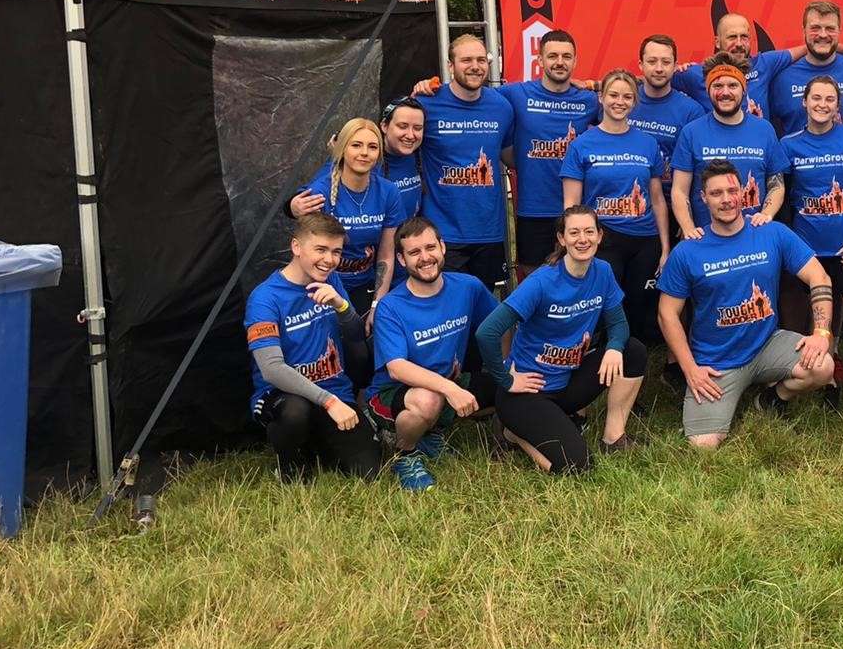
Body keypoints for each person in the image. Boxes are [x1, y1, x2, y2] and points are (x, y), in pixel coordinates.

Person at [657, 159, 835, 448]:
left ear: (742, 192)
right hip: (716, 361)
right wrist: (690, 369)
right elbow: (667, 314)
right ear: (703, 198)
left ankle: (772, 399)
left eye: (731, 191)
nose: (726, 200)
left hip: (767, 344)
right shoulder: (688, 250)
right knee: (703, 445)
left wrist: (822, 333)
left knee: (823, 366)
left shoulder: (770, 232)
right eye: (716, 193)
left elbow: (820, 277)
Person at [475, 206, 647, 472]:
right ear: (561, 238)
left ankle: (613, 438)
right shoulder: (541, 282)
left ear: (600, 236)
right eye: (574, 232)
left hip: (567, 383)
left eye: (589, 231)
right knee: (576, 466)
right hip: (528, 392)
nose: (583, 239)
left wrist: (613, 347)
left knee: (631, 351)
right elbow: (487, 332)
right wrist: (505, 379)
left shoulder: (602, 271)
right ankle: (511, 432)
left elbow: (619, 324)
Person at [244, 214, 381, 483]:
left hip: (335, 390)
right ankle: (290, 465)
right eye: (320, 249)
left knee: (369, 471)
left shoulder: (330, 280)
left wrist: (342, 307)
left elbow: (355, 339)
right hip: (284, 396)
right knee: (295, 413)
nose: (329, 260)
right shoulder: (264, 298)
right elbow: (272, 369)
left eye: (336, 252)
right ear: (296, 247)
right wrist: (329, 403)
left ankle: (319, 443)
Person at [368, 216, 499, 491]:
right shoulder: (391, 306)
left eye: (430, 247)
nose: (425, 258)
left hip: (449, 380)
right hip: (395, 393)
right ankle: (404, 452)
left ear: (442, 247)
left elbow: (502, 322)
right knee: (428, 400)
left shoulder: (468, 286)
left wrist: (506, 364)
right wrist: (450, 389)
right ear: (402, 261)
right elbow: (396, 368)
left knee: (506, 386)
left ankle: (431, 432)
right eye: (414, 252)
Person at [780, 75, 843, 418]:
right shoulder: (789, 144)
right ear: (804, 102)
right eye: (816, 98)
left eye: (829, 100)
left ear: (839, 106)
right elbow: (784, 201)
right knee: (813, 320)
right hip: (808, 253)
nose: (822, 104)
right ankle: (828, 382)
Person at [561, 69, 670, 344]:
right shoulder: (582, 145)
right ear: (601, 98)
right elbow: (571, 203)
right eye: (613, 95)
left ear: (634, 102)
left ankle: (635, 361)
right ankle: (604, 355)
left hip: (645, 239)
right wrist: (572, 243)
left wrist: (665, 247)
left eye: (627, 96)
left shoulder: (647, 143)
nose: (619, 102)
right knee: (606, 304)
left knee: (639, 304)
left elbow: (657, 199)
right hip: (604, 238)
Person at [410, 34, 514, 292]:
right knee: (446, 306)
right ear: (450, 65)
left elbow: (510, 156)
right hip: (443, 232)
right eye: (466, 60)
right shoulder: (426, 103)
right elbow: (398, 144)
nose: (475, 66)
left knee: (489, 309)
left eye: (481, 59)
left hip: (489, 230)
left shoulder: (501, 106)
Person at [495, 29, 601, 278]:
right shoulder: (516, 94)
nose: (560, 62)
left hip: (578, 211)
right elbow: (472, 95)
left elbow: (628, 93)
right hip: (534, 210)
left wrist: (595, 85)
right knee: (534, 278)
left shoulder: (589, 101)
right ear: (540, 60)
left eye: (567, 56)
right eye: (552, 55)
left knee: (580, 276)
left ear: (575, 61)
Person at [287, 118, 400, 317]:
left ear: (379, 153)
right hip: (321, 286)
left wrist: (377, 305)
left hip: (366, 285)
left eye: (372, 147)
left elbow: (386, 255)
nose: (364, 152)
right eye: (356, 145)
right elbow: (307, 253)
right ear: (342, 149)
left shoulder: (389, 192)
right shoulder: (319, 193)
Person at [670, 56, 788, 237]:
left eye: (732, 86)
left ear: (744, 89)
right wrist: (688, 229)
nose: (725, 92)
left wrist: (766, 214)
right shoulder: (691, 132)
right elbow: (679, 190)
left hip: (755, 236)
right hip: (707, 240)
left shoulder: (764, 129)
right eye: (717, 86)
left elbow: (776, 183)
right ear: (708, 90)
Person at [765, 0, 843, 134]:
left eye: (830, 29)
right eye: (815, 28)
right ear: (804, 31)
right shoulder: (782, 80)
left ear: (839, 31)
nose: (823, 35)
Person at [674, 11, 794, 119]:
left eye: (744, 37)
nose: (739, 43)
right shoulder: (695, 74)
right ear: (717, 42)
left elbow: (808, 50)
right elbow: (659, 75)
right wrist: (676, 68)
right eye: (732, 37)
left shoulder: (765, 63)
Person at [631, 34, 707, 178]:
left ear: (675, 66)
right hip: (627, 195)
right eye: (652, 61)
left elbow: (698, 167)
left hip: (669, 196)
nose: (659, 68)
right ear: (641, 65)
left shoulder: (691, 112)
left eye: (666, 62)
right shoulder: (624, 103)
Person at [379, 96, 426, 224]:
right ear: (384, 126)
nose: (410, 135)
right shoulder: (365, 159)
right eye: (402, 126)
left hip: (409, 239)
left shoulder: (422, 156)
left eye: (417, 128)